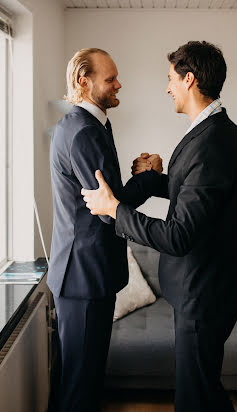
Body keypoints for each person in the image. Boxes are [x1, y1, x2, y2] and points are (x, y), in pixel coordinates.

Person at [81, 41, 237, 412]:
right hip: (203, 290)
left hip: (203, 293)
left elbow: (177, 235)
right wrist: (156, 177)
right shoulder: (211, 132)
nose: (167, 87)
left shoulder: (213, 143)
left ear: (189, 79)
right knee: (204, 389)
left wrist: (114, 209)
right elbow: (192, 193)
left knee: (194, 398)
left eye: (171, 78)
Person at [47, 48, 162, 412]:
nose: (119, 84)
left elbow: (107, 197)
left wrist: (136, 178)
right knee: (82, 386)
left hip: (84, 274)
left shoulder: (91, 124)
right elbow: (110, 210)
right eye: (110, 78)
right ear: (85, 82)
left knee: (75, 379)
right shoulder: (83, 132)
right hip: (85, 277)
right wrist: (148, 177)